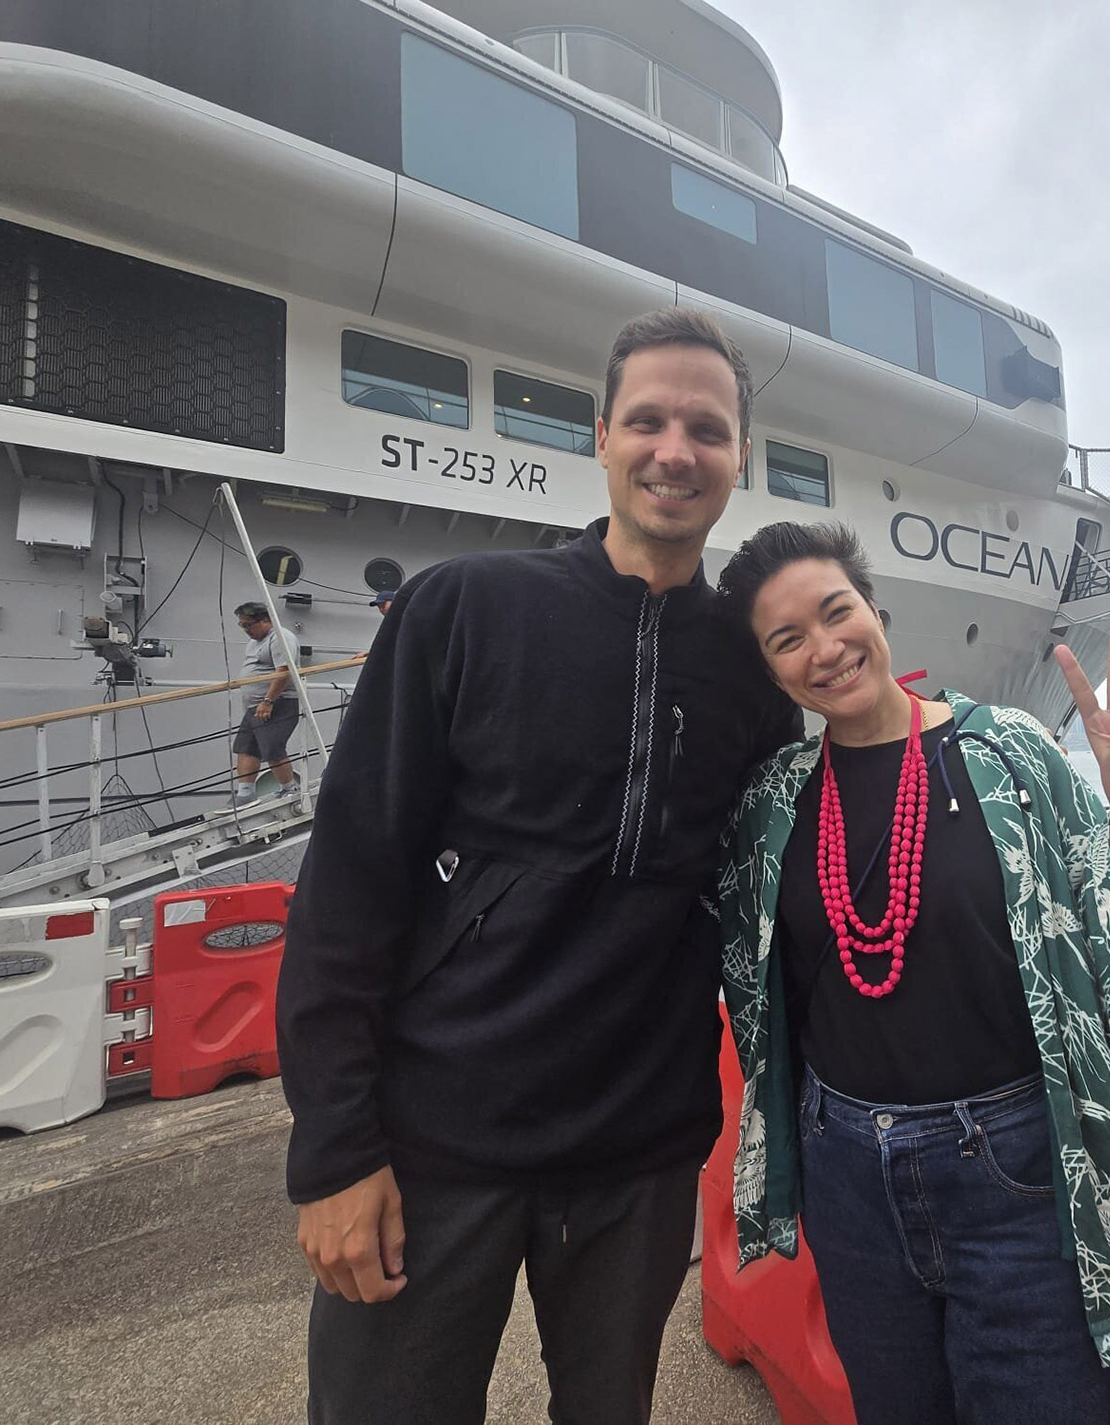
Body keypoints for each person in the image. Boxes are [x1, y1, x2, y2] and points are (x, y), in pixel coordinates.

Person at [276, 308, 802, 1425]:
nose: (676, 450)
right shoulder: (466, 609)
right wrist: (332, 1151)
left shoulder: (753, 673)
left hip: (637, 1160)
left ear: (737, 459)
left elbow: (784, 888)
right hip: (431, 1141)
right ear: (600, 435)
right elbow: (351, 884)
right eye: (649, 421)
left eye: (705, 429)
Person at [715, 522, 1110, 1424]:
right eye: (787, 639)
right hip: (849, 1177)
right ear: (769, 672)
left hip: (1019, 1171)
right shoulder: (774, 802)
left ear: (875, 612)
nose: (825, 649)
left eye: (837, 613)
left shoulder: (1013, 756)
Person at [231, 602, 301, 805]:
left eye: (249, 625)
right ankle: (245, 794)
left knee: (272, 747)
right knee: (246, 747)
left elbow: (283, 672)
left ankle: (290, 789)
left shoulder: (281, 637)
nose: (246, 630)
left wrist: (268, 701)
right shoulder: (254, 642)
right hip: (255, 707)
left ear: (265, 620)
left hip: (278, 702)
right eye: (242, 625)